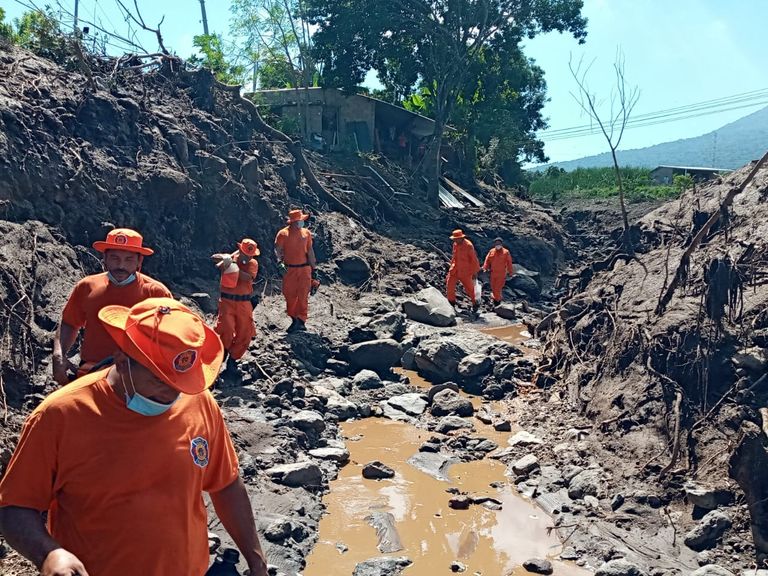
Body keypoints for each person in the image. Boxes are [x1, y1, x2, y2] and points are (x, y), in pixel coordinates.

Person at [0, 297, 268, 576]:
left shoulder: (198, 401)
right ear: (122, 359)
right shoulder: (60, 416)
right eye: (159, 381)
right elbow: (15, 508)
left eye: (179, 384)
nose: (171, 394)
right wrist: (49, 555)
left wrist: (256, 559)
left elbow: (226, 484)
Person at [53, 228, 171, 386]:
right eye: (115, 258)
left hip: (138, 377)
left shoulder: (156, 292)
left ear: (139, 261)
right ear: (105, 258)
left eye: (129, 259)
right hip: (91, 372)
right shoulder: (87, 286)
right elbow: (70, 322)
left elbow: (170, 337)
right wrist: (59, 354)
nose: (121, 265)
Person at [213, 238, 259, 361]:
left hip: (244, 303)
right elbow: (214, 258)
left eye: (251, 255)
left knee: (245, 332)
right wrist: (226, 258)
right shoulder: (231, 259)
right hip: (227, 302)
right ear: (240, 250)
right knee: (225, 329)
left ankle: (234, 358)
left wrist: (233, 266)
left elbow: (248, 277)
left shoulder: (253, 264)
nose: (249, 258)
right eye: (246, 254)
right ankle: (223, 351)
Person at [274, 209, 317, 333]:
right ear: (293, 222)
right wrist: (279, 262)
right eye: (300, 221)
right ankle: (294, 318)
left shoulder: (306, 233)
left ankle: (301, 321)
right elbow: (277, 249)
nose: (302, 223)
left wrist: (314, 268)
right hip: (289, 269)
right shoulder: (283, 233)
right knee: (289, 295)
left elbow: (310, 251)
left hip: (304, 269)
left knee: (303, 295)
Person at [446, 229, 481, 312]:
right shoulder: (455, 244)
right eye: (454, 239)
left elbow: (474, 259)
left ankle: (475, 304)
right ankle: (451, 303)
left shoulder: (468, 245)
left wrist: (475, 272)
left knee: (470, 289)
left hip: (465, 271)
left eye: (456, 238)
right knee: (449, 286)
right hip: (454, 269)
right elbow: (454, 257)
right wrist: (451, 265)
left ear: (461, 238)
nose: (454, 240)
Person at [482, 237, 515, 306]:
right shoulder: (491, 251)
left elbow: (509, 262)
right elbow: (487, 260)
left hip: (501, 274)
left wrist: (511, 272)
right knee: (493, 287)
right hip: (493, 273)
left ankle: (497, 302)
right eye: (496, 243)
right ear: (494, 244)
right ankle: (496, 299)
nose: (498, 245)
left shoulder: (506, 252)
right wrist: (485, 268)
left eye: (499, 243)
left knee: (497, 288)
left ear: (501, 244)